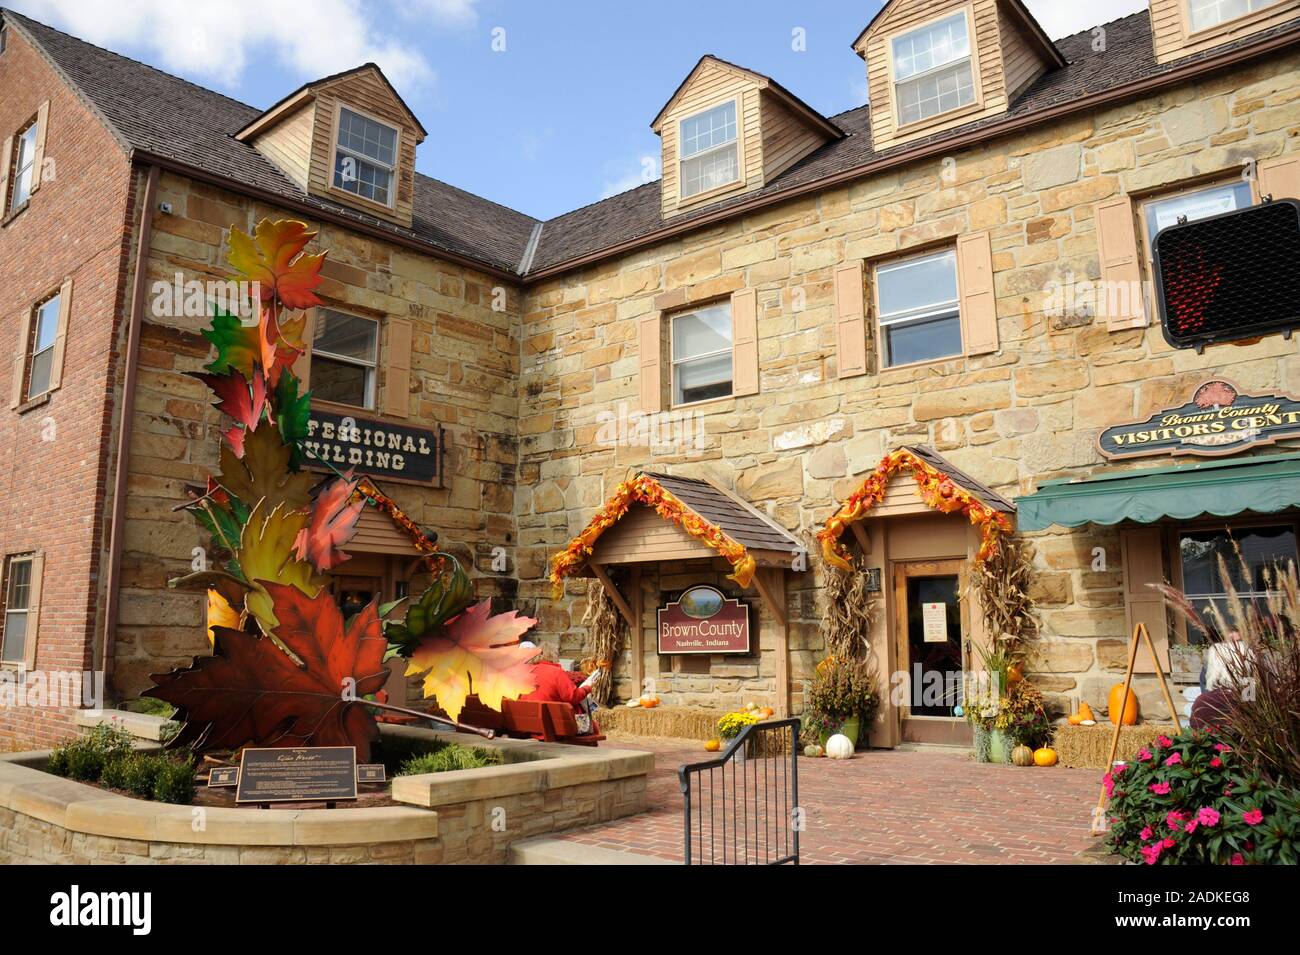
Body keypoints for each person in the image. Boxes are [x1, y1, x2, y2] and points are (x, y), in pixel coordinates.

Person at [518, 642, 602, 714]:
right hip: (551, 724)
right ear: (553, 655)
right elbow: (573, 697)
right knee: (583, 705)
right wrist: (588, 687)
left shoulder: (527, 672)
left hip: (527, 720)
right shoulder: (556, 672)